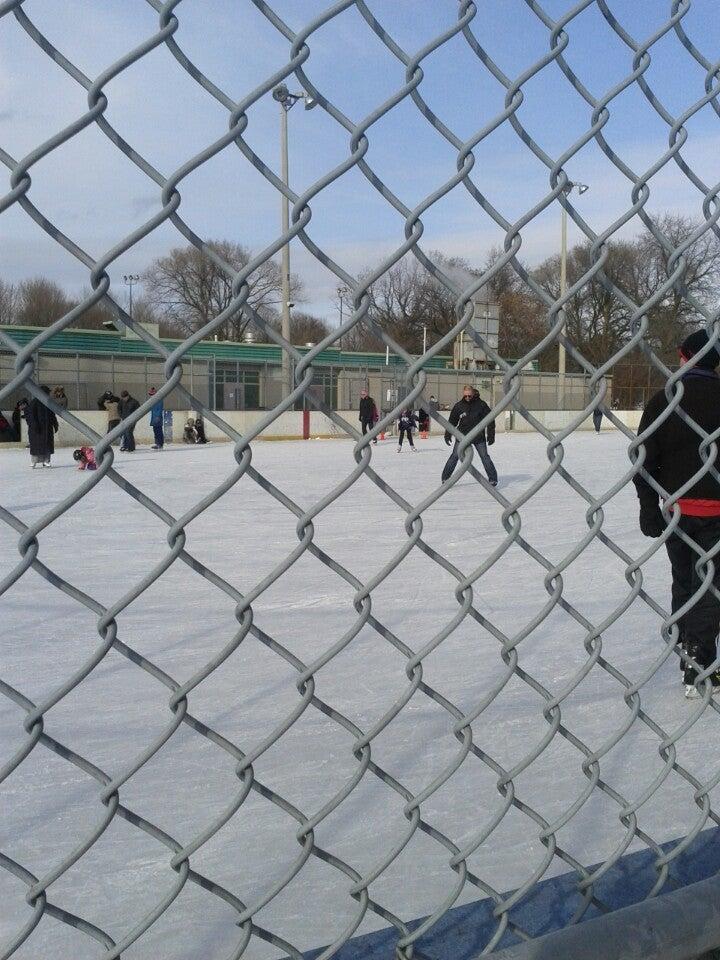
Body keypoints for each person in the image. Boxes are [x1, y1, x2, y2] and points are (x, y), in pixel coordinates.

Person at [634, 329, 720, 698]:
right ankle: (700, 659)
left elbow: (644, 459)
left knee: (685, 579)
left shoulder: (665, 399)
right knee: (710, 585)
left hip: (677, 510)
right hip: (716, 509)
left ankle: (690, 651)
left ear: (686, 358)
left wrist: (648, 507)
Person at [441, 385, 498, 485]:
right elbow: (452, 421)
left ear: (473, 394)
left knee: (485, 457)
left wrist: (491, 434)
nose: (467, 398)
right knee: (454, 456)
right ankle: (445, 478)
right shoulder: (459, 406)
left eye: (469, 396)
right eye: (465, 396)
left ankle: (493, 479)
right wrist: (447, 434)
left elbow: (490, 419)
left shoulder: (481, 405)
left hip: (478, 436)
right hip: (462, 436)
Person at [27, 386, 58, 468]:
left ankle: (46, 461)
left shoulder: (49, 402)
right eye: (47, 392)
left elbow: (52, 415)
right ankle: (34, 461)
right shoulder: (34, 402)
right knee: (36, 445)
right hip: (37, 429)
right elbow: (31, 416)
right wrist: (34, 425)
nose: (48, 394)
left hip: (47, 428)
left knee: (47, 445)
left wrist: (55, 424)